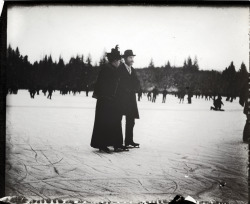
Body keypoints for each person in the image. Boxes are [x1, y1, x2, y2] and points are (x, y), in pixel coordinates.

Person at [90, 45, 128, 153]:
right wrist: (108, 96)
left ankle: (111, 143)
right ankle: (103, 144)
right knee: (104, 122)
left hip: (110, 100)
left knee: (111, 122)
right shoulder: (107, 69)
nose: (120, 63)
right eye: (119, 61)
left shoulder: (111, 69)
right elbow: (104, 85)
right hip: (106, 100)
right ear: (114, 61)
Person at [117, 49, 140, 148]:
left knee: (131, 120)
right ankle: (117, 142)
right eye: (130, 58)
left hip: (131, 99)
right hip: (121, 99)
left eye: (133, 58)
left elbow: (137, 82)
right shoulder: (120, 69)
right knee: (118, 120)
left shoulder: (133, 70)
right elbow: (118, 83)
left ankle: (129, 141)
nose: (132, 60)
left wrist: (135, 88)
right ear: (125, 58)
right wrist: (126, 89)